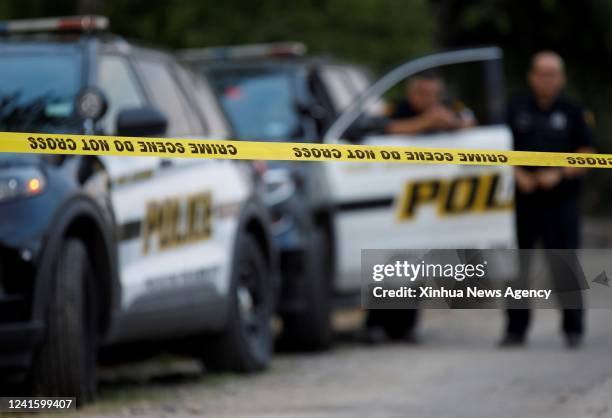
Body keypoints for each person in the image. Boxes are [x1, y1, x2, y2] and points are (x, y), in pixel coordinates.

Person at [363, 74, 476, 345]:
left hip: (428, 199)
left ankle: (406, 326)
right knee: (387, 261)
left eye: (432, 94)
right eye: (421, 93)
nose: (427, 99)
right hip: (394, 197)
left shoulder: (449, 107)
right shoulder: (396, 109)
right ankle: (376, 324)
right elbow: (383, 129)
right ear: (411, 92)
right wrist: (423, 123)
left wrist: (452, 122)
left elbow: (472, 123)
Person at [502, 51, 595, 348]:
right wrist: (518, 175)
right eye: (542, 73)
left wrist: (559, 173)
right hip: (523, 200)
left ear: (561, 78)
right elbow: (496, 148)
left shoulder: (573, 110)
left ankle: (573, 329)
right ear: (532, 76)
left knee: (563, 266)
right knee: (518, 268)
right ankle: (515, 330)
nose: (547, 79)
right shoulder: (515, 107)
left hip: (561, 201)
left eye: (552, 73)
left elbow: (588, 154)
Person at [386, 73, 475, 135]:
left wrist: (453, 122)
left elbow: (470, 122)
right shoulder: (397, 107)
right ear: (410, 93)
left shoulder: (449, 105)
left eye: (436, 94)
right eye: (424, 94)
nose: (431, 99)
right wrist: (427, 121)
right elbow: (388, 128)